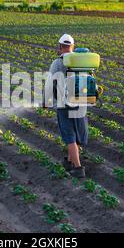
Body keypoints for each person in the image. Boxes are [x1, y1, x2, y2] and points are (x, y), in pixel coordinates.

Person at [44, 34, 88, 178]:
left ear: (60, 47)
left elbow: (50, 84)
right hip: (81, 103)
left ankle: (78, 168)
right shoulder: (81, 61)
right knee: (77, 133)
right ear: (72, 47)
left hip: (64, 105)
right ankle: (69, 162)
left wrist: (47, 101)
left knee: (69, 136)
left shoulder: (57, 63)